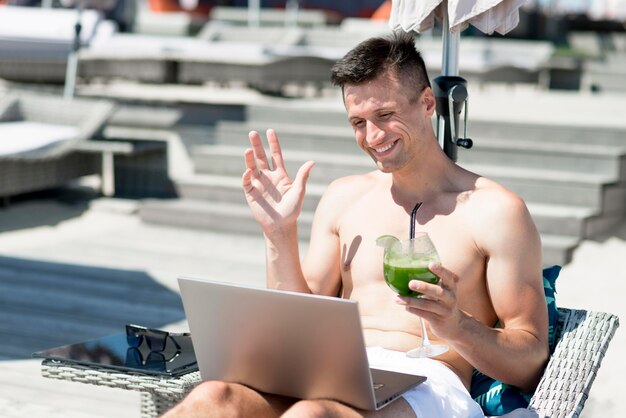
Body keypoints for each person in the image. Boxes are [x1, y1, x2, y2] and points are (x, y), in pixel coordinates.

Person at [163, 32, 549, 418]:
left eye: (385, 115)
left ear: (427, 103)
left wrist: (456, 325)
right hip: (330, 374)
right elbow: (297, 324)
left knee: (311, 416)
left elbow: (530, 362)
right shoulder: (344, 198)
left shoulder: (495, 210)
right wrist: (279, 233)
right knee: (211, 400)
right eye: (358, 122)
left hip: (428, 384)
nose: (373, 136)